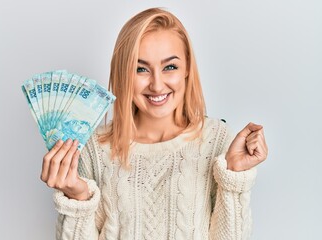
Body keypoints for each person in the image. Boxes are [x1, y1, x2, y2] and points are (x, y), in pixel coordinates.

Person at [40, 7, 268, 240]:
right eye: (141, 69)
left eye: (170, 67)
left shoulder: (217, 139)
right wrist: (77, 199)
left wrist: (235, 177)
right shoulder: (93, 150)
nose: (157, 85)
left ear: (187, 68)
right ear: (123, 73)